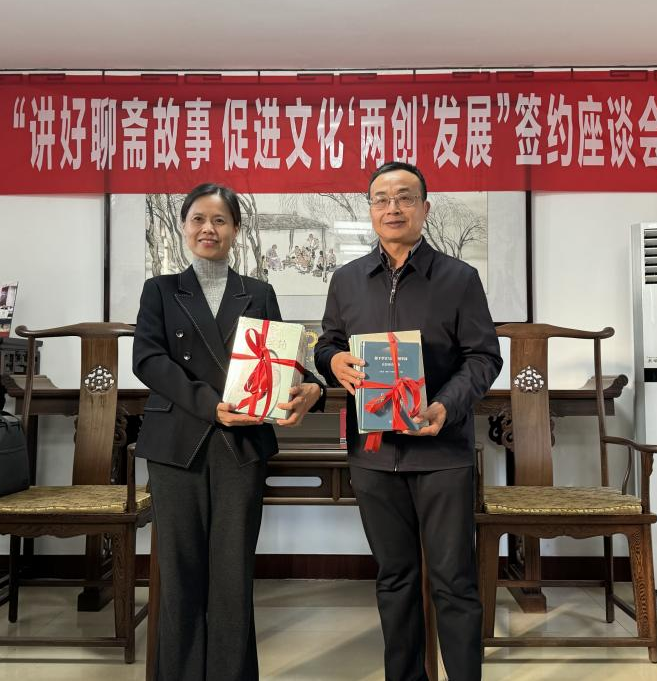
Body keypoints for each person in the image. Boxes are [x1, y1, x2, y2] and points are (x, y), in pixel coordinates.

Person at [314, 161, 502, 681]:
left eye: (404, 197)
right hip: (373, 454)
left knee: (453, 581)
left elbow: (484, 357)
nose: (392, 208)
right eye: (381, 198)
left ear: (425, 207)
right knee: (394, 579)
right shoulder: (347, 280)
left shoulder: (459, 279)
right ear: (370, 209)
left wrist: (446, 405)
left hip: (441, 452)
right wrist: (333, 361)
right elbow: (328, 344)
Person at [133, 182, 325, 681]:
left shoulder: (258, 293)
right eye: (198, 219)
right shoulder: (160, 290)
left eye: (219, 220)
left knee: (233, 573)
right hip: (177, 444)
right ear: (184, 226)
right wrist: (211, 406)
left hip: (241, 445)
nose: (208, 229)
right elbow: (148, 360)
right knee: (179, 574)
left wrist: (309, 385)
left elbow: (285, 361)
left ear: (236, 229)